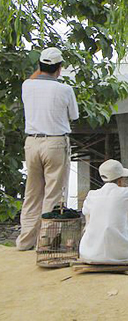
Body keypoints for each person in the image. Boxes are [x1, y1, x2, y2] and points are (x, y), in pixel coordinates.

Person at [16, 47, 79, 251]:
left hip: (32, 143)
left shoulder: (27, 85)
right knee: (53, 194)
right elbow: (74, 115)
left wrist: (42, 69)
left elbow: (35, 77)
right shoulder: (65, 89)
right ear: (59, 68)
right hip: (55, 142)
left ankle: (25, 240)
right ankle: (45, 242)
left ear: (39, 65)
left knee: (32, 193)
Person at [79, 159, 128, 263]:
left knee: (89, 218)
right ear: (120, 180)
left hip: (89, 253)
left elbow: (86, 215)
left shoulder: (92, 195)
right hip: (121, 255)